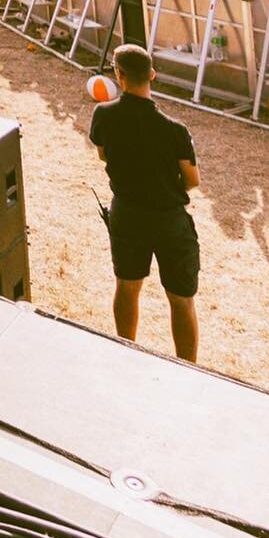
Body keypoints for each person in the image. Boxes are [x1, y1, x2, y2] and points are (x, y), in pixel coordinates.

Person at [89, 45, 201, 362]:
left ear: (118, 75)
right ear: (152, 75)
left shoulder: (103, 115)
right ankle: (187, 367)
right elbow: (192, 180)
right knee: (181, 299)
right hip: (169, 220)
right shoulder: (175, 130)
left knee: (126, 285)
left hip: (127, 213)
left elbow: (103, 155)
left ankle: (126, 352)